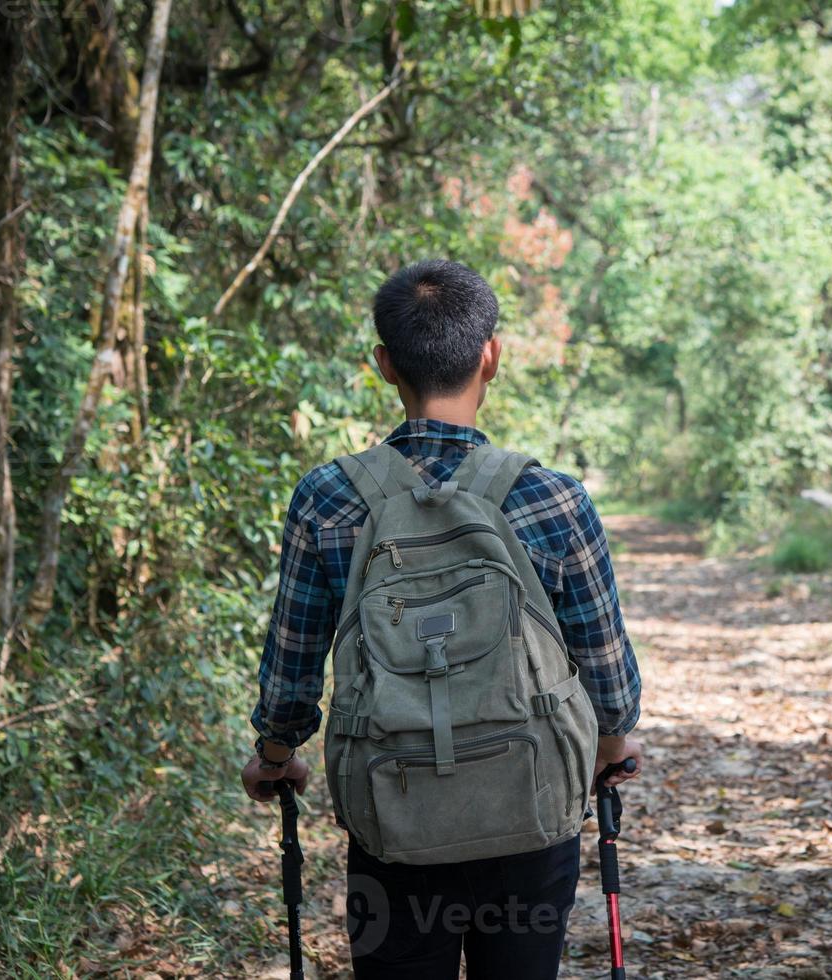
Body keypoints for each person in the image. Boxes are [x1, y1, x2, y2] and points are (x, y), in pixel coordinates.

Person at [240, 258, 643, 980]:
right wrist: (611, 749)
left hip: (392, 821)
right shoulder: (552, 499)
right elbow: (606, 672)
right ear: (492, 355)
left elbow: (293, 671)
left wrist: (275, 758)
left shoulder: (330, 498)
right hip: (528, 816)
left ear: (384, 365)